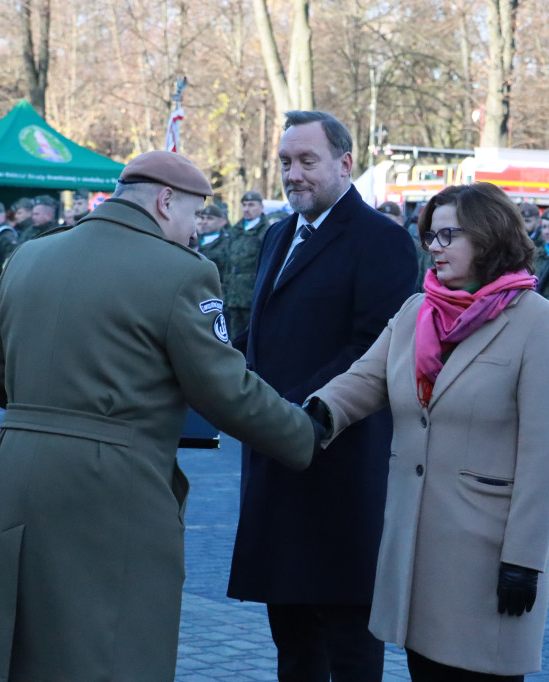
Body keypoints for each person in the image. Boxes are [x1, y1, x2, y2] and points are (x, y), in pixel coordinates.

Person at [0, 151, 322, 682]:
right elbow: (228, 391)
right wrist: (305, 434)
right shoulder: (183, 273)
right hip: (113, 482)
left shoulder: (30, 257)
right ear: (165, 199)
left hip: (17, 471)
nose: (197, 232)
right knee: (113, 644)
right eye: (195, 215)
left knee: (18, 642)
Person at [304, 182, 549, 681]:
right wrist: (315, 415)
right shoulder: (416, 312)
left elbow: (546, 456)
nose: (433, 246)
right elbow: (366, 377)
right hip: (416, 550)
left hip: (488, 556)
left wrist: (524, 559)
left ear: (490, 237)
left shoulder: (540, 323)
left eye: (448, 235)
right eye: (429, 235)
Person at [227, 111, 418, 682]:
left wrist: (287, 409)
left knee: (349, 643)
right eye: (285, 162)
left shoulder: (382, 240)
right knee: (291, 640)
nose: (293, 173)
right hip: (275, 462)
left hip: (339, 466)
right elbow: (258, 338)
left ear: (344, 163)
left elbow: (372, 350)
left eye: (307, 160)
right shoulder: (277, 236)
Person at [222, 189, 271, 336]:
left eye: (251, 205)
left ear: (261, 207)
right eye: (244, 205)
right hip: (232, 295)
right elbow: (227, 263)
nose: (247, 209)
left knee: (251, 337)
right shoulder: (234, 230)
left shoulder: (266, 231)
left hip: (251, 295)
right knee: (232, 338)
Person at [196, 204, 230, 288]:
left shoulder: (227, 243)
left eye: (210, 218)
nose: (204, 222)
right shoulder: (193, 240)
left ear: (222, 222)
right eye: (203, 218)